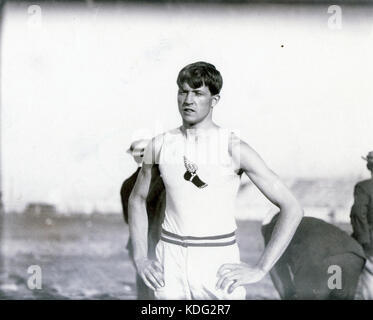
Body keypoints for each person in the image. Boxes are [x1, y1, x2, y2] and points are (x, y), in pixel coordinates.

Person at [128, 61, 303, 300]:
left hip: (217, 263)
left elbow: (292, 207)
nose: (188, 100)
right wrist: (139, 258)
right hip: (169, 260)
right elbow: (137, 200)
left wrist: (261, 268)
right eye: (183, 91)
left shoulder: (234, 148)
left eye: (198, 93)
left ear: (214, 100)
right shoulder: (159, 145)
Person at [262, 213, 366, 300]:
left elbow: (276, 269)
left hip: (321, 261)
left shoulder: (273, 228)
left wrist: (288, 296)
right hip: (353, 255)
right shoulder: (307, 221)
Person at [120, 139, 165, 299]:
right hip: (160, 244)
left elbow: (129, 220)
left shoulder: (127, 184)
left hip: (136, 245)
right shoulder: (166, 180)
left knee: (145, 290)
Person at [350, 151, 373, 299]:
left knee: (369, 281)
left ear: (369, 166)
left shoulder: (363, 187)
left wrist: (364, 241)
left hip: (370, 244)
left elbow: (358, 214)